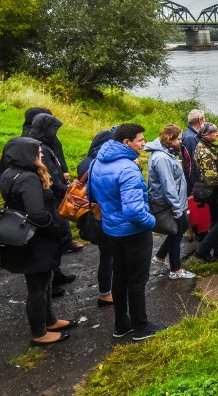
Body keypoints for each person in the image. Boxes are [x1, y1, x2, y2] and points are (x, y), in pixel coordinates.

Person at [90, 123, 165, 341]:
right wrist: (151, 221)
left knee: (119, 277)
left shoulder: (98, 162)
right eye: (140, 140)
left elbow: (93, 195)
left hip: (111, 229)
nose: (144, 143)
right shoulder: (127, 168)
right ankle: (141, 326)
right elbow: (133, 210)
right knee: (137, 280)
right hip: (134, 231)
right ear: (126, 142)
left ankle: (121, 325)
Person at [0, 137, 75, 346]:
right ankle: (40, 333)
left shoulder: (8, 172)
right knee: (38, 287)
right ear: (27, 155)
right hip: (36, 240)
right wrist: (56, 228)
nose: (41, 156)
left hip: (25, 236)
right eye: (38, 153)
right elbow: (37, 214)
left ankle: (49, 320)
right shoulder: (28, 179)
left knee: (44, 281)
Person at [29, 114, 79, 293]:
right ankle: (51, 280)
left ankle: (55, 274)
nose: (56, 133)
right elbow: (51, 176)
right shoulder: (40, 148)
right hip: (53, 199)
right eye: (54, 130)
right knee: (61, 236)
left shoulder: (37, 145)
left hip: (52, 197)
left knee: (60, 236)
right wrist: (66, 189)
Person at [146, 125, 195, 280]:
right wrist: (177, 209)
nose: (181, 141)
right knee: (177, 231)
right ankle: (176, 270)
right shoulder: (162, 158)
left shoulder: (166, 153)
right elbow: (168, 186)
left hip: (172, 201)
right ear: (170, 139)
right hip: (168, 203)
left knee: (179, 229)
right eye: (179, 139)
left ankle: (160, 256)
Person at [77, 129, 115, 307]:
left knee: (106, 255)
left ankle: (107, 290)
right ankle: (106, 292)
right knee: (109, 256)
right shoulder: (99, 164)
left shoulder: (85, 162)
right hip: (103, 215)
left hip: (90, 214)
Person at [192, 122, 218, 263]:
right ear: (206, 135)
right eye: (215, 132)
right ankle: (203, 249)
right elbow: (211, 177)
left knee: (215, 220)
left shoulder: (204, 147)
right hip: (217, 193)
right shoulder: (204, 151)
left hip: (212, 192)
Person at [182, 109, 205, 192]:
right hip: (193, 184)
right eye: (204, 119)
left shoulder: (191, 134)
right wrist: (196, 184)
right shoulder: (191, 138)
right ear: (200, 120)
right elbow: (191, 163)